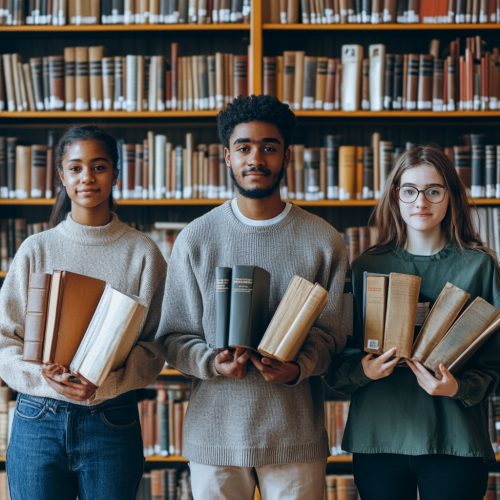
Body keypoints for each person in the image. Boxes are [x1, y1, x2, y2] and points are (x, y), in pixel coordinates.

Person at [155, 95, 349, 500]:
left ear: (286, 157)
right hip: (215, 437)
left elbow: (333, 336)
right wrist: (213, 362)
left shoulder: (324, 241)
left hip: (293, 434)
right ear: (227, 156)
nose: (255, 158)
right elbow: (172, 338)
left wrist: (297, 368)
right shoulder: (196, 238)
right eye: (244, 147)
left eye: (268, 147)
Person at [0, 125, 167, 500]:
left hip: (111, 418)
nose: (87, 178)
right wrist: (43, 379)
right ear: (61, 176)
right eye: (75, 168)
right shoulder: (35, 249)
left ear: (116, 174)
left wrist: (103, 385)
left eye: (99, 167)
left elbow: (156, 346)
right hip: (37, 419)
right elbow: (2, 339)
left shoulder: (143, 253)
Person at [326, 145, 500, 500]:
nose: (421, 202)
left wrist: (458, 389)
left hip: (454, 438)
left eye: (433, 191)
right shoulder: (364, 266)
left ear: (451, 196)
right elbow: (335, 360)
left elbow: (495, 362)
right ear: (396, 197)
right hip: (379, 439)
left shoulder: (479, 266)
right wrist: (365, 370)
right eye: (410, 191)